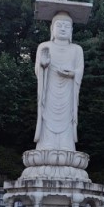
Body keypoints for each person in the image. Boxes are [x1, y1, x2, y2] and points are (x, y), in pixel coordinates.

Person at [34, 11, 84, 152]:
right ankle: (45, 144)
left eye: (67, 26)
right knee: (47, 116)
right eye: (59, 25)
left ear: (71, 30)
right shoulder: (44, 47)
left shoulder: (76, 50)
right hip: (49, 90)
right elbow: (38, 70)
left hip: (68, 92)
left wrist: (72, 73)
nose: (63, 29)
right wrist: (43, 65)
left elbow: (80, 70)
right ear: (52, 29)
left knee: (67, 117)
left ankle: (66, 145)